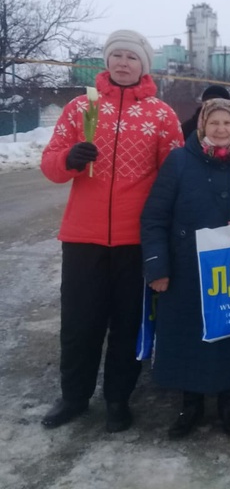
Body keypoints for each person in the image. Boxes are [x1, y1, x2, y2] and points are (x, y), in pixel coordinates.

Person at [40, 29, 184, 432]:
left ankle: (118, 399)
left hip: (136, 240)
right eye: (116, 55)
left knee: (127, 325)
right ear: (106, 60)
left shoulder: (161, 114)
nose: (123, 62)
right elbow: (50, 164)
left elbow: (172, 177)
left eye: (131, 57)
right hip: (83, 237)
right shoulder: (79, 108)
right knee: (80, 323)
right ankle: (74, 397)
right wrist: (69, 157)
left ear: (144, 66)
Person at [140, 98, 230, 439]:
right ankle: (189, 406)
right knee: (187, 339)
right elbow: (154, 218)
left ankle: (228, 402)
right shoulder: (179, 161)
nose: (221, 130)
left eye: (228, 124)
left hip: (228, 273)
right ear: (203, 125)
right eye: (214, 123)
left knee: (228, 339)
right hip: (185, 269)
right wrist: (157, 268)